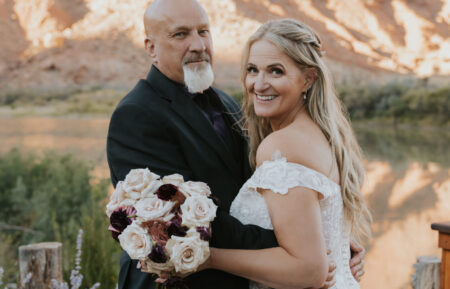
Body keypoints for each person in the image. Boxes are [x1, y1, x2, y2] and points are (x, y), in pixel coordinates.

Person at [106, 0, 366, 288]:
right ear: (151, 48)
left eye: (203, 31)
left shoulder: (228, 102)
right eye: (180, 34)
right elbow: (175, 221)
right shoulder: (136, 114)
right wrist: (304, 246)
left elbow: (281, 193)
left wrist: (323, 235)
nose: (197, 44)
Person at [200, 18, 372, 289]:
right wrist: (338, 244)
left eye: (276, 71)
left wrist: (209, 259)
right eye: (252, 69)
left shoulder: (282, 146)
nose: (259, 84)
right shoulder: (320, 135)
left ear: (308, 79)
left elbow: (308, 270)